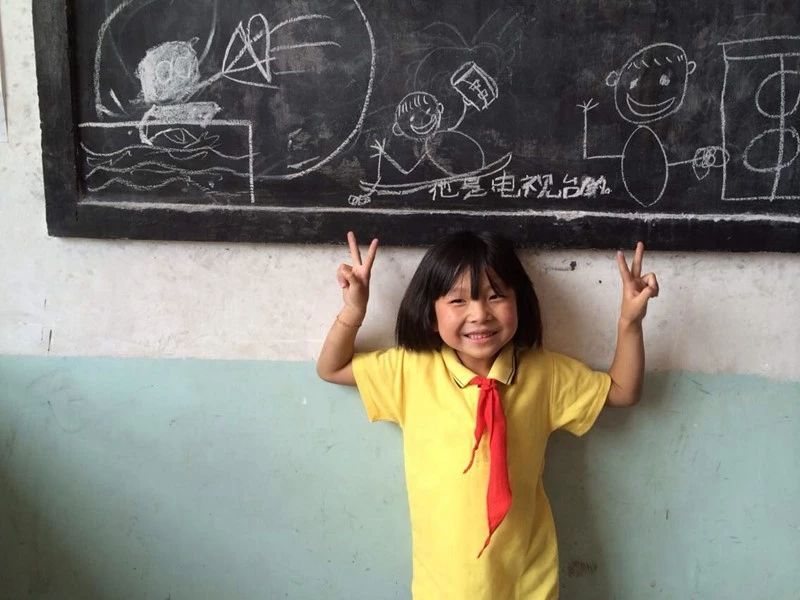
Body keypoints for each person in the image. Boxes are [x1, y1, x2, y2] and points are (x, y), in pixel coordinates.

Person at [316, 230, 659, 599]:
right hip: (443, 587)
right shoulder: (409, 371)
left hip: (528, 582)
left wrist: (629, 322)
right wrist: (354, 311)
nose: (479, 314)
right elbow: (332, 368)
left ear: (519, 302)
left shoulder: (543, 373)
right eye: (458, 300)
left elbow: (623, 391)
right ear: (430, 314)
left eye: (496, 296)